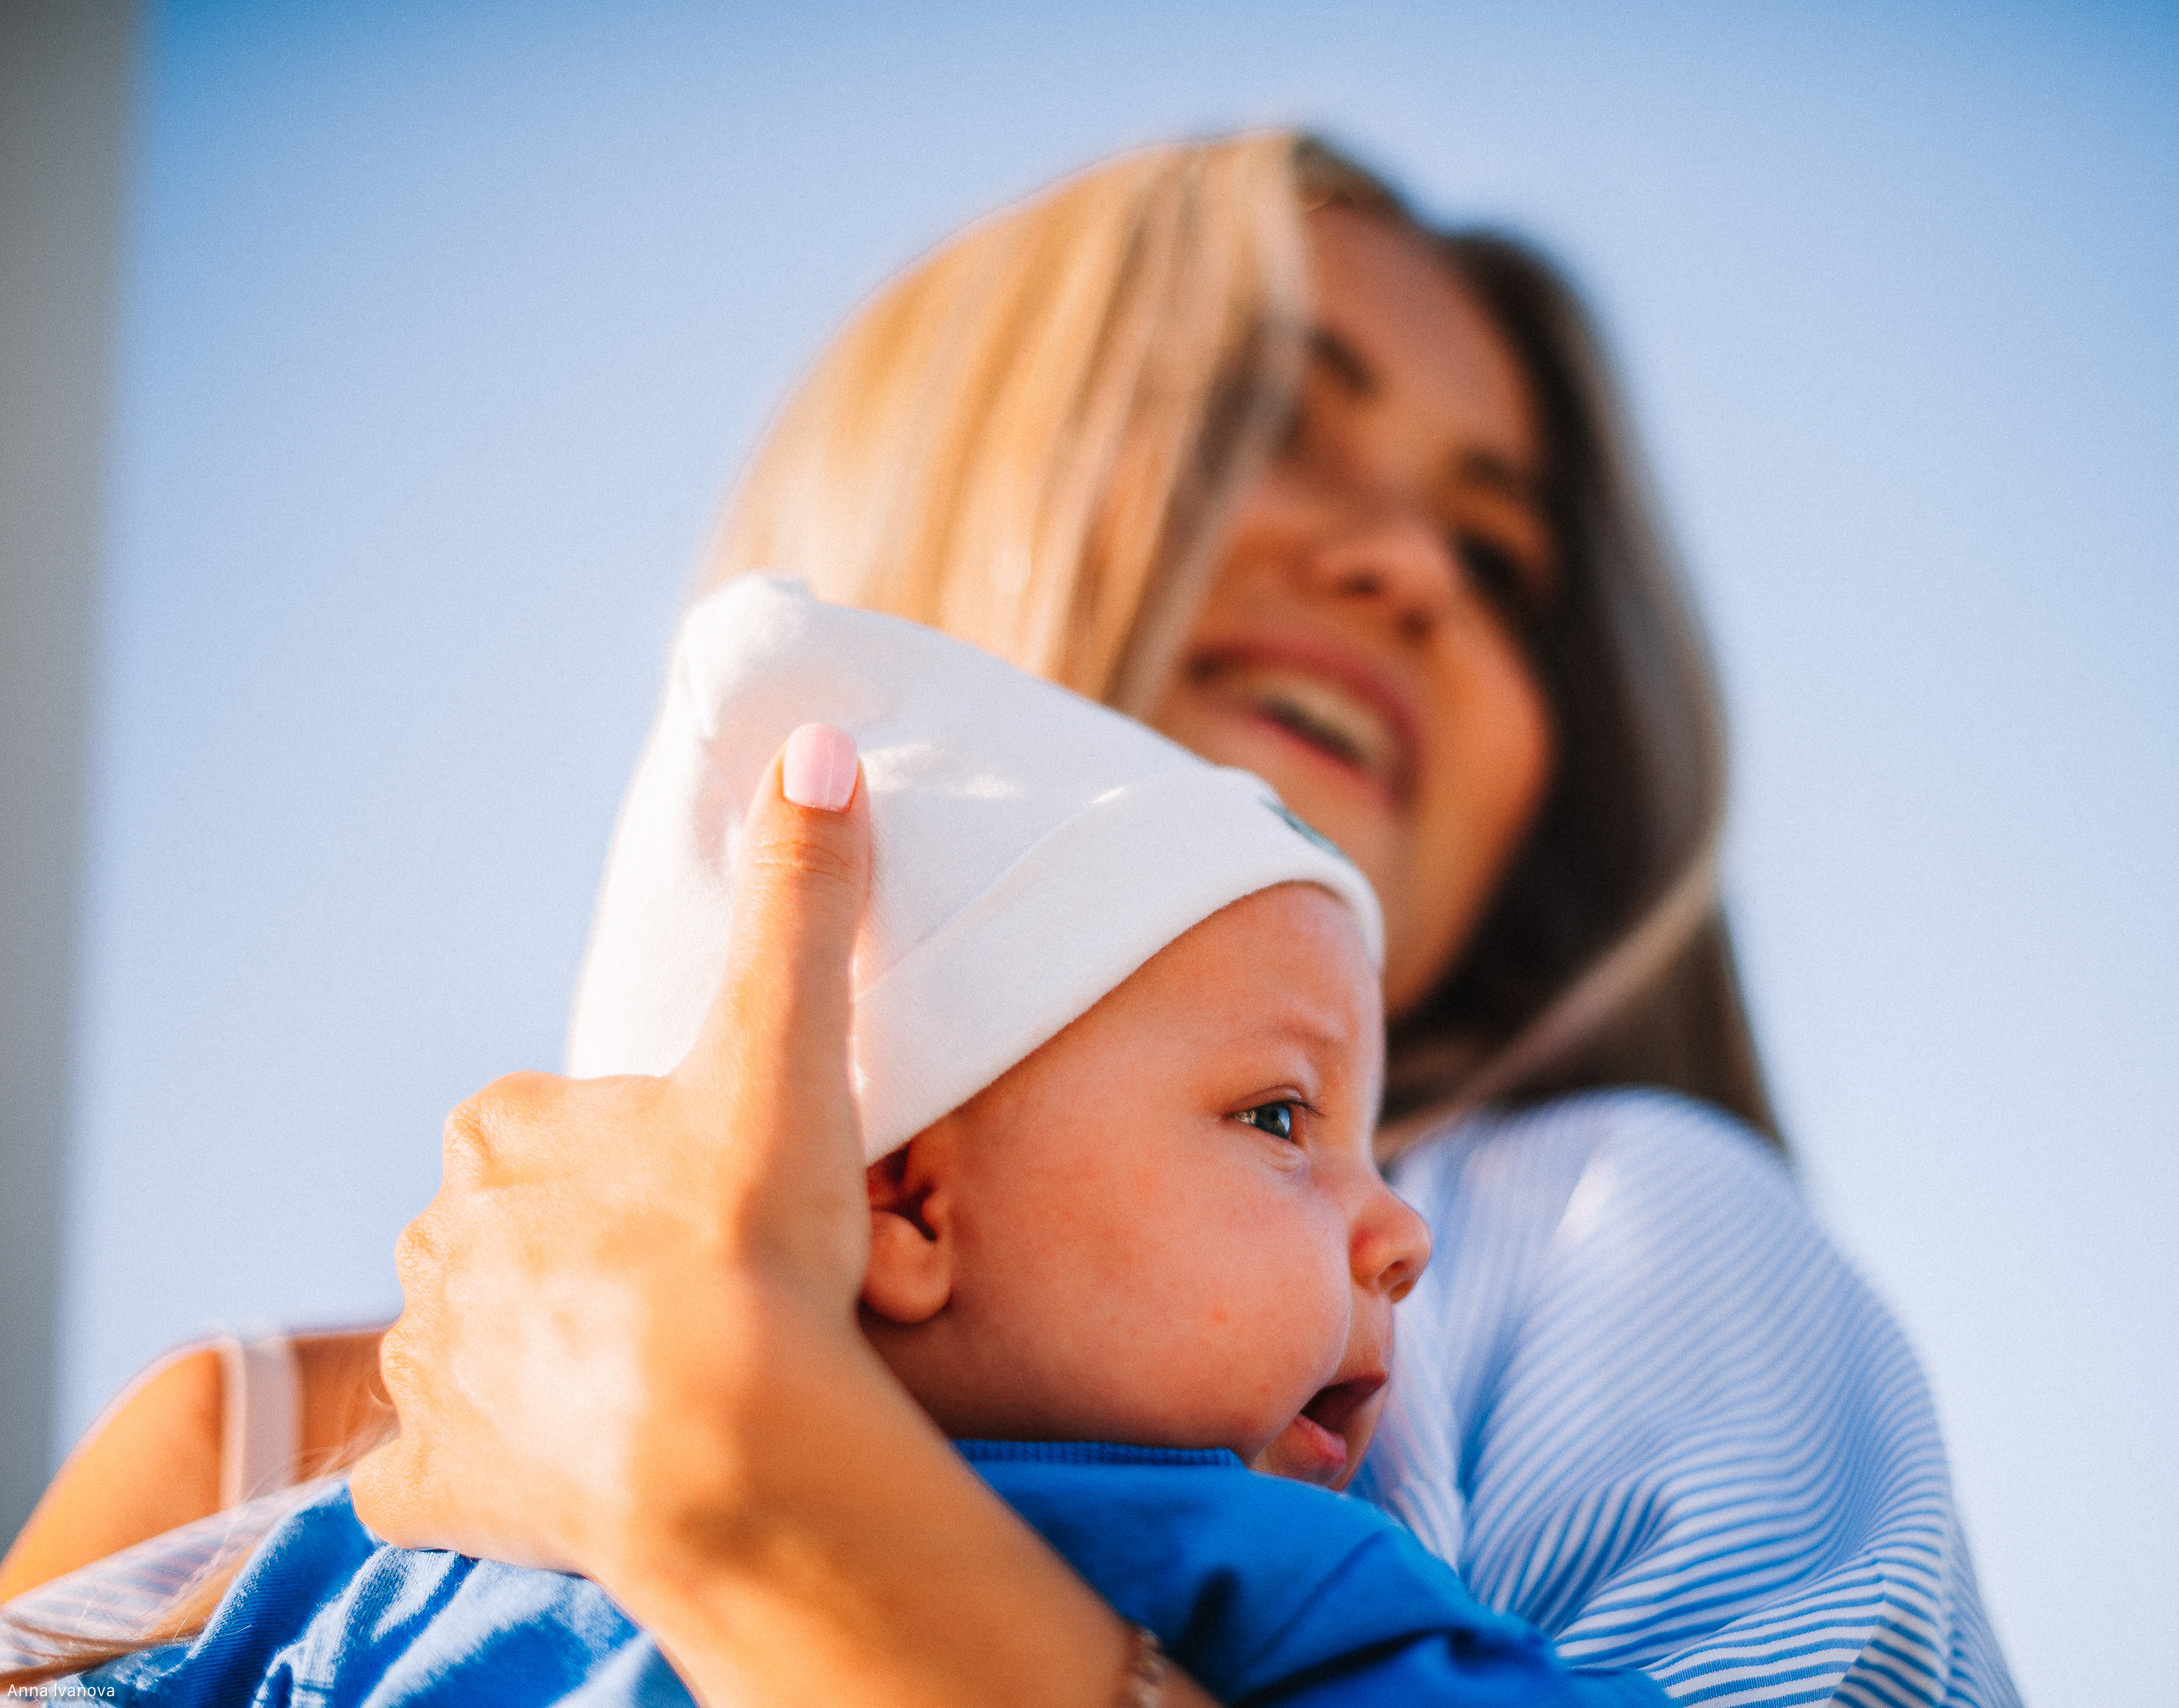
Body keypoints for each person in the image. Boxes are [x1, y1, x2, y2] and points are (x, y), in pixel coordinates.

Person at [2, 133, 2020, 1705]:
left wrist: (747, 1488)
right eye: (1269, 419)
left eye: (1496, 551)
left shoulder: (1612, 1239)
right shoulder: (243, 1448)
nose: (1405, 558)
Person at [43, 586, 1665, 1706]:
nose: (1400, 1230)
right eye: (1279, 1119)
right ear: (902, 1197)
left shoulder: (1272, 1565)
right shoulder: (387, 1525)